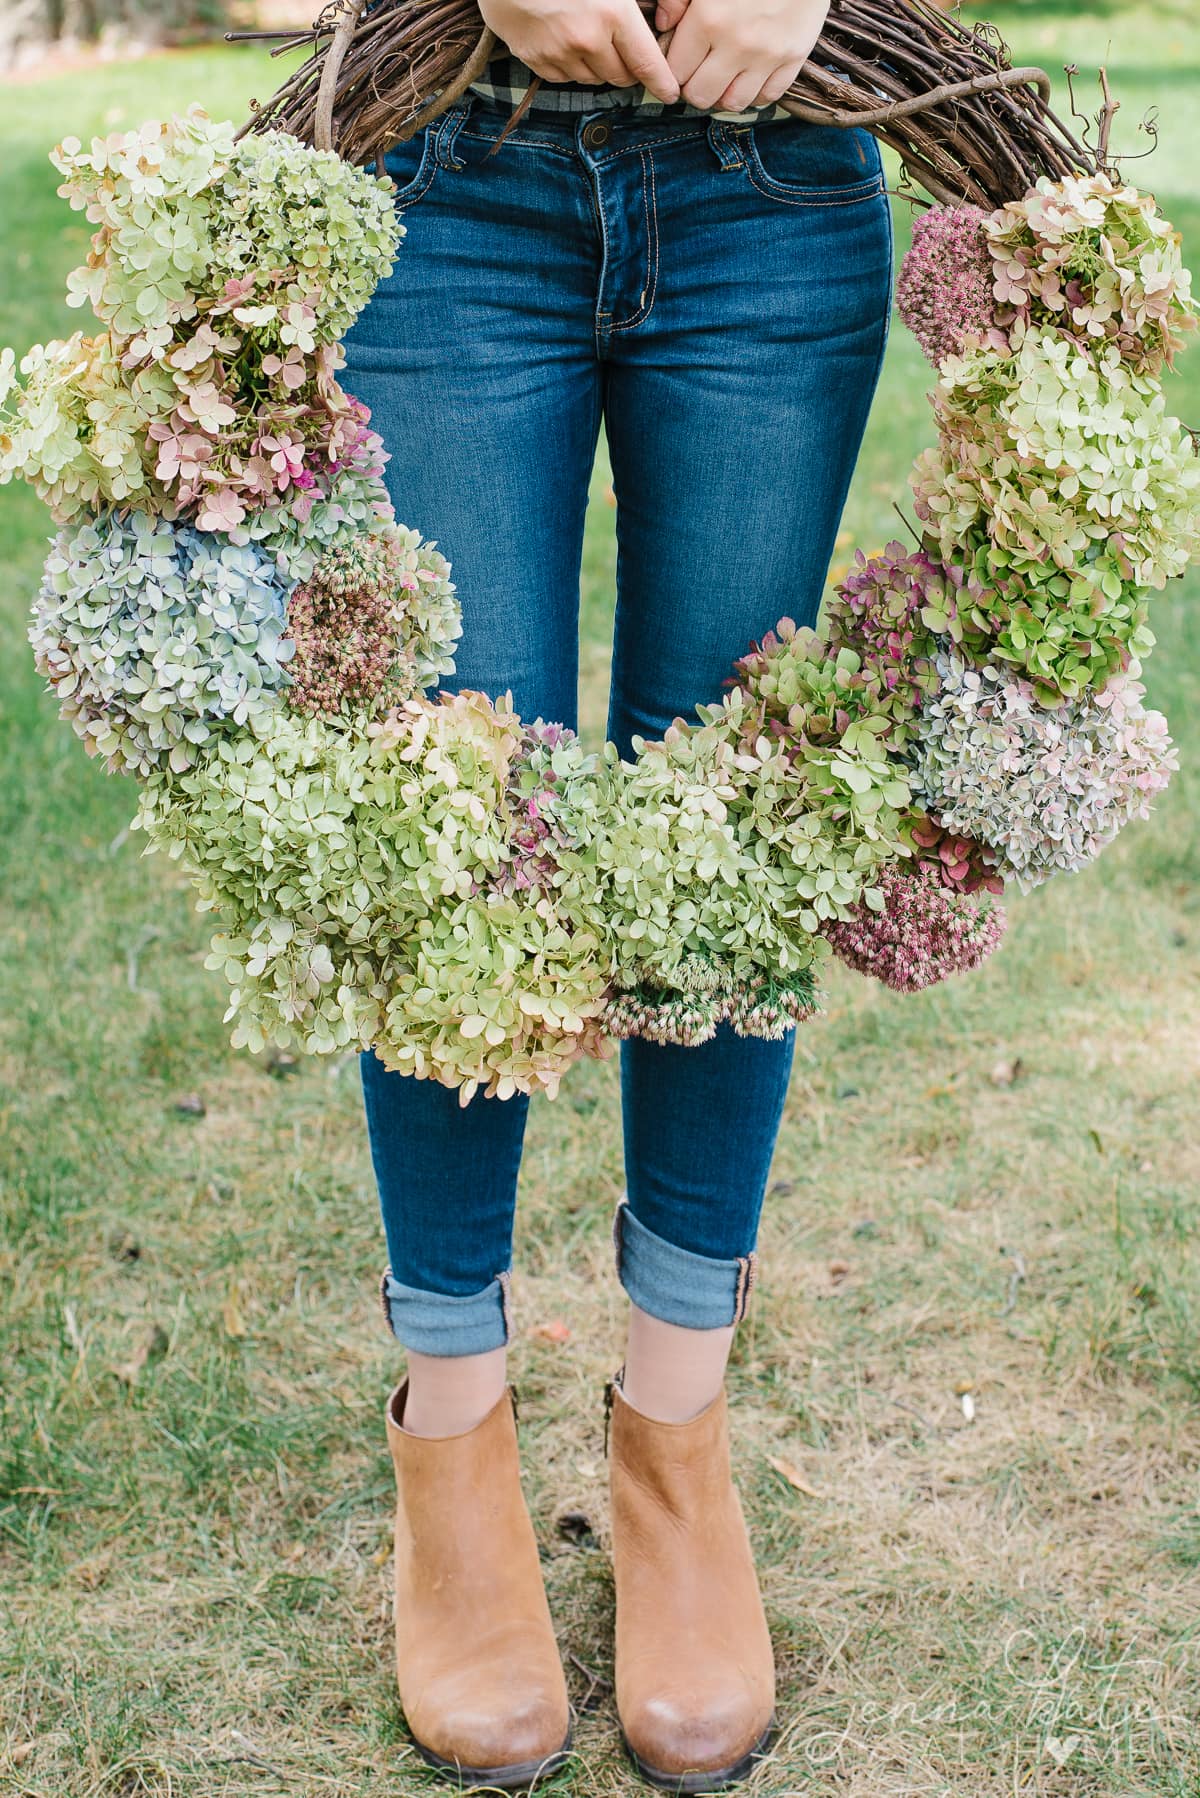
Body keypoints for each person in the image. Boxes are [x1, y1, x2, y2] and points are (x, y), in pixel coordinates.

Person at [340, 0, 891, 1785]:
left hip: (774, 168)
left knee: (732, 806)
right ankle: (455, 1433)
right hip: (444, 165)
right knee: (448, 818)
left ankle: (675, 1431)